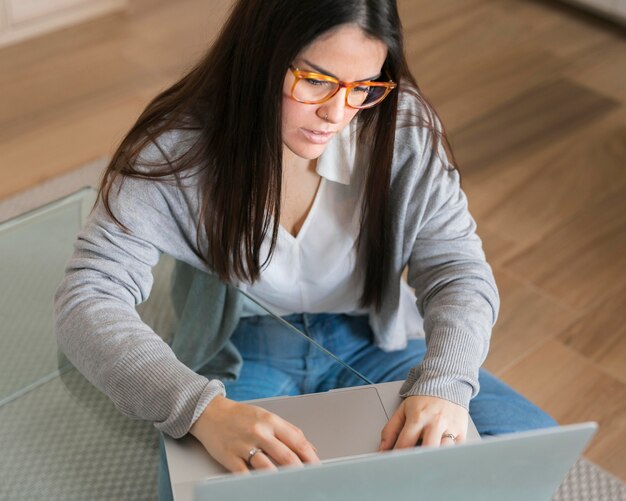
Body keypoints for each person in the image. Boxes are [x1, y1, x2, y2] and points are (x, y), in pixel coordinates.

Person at [54, 0, 556, 487]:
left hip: (370, 338)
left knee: (527, 448)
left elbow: (457, 268)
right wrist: (199, 407)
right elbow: (87, 298)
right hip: (243, 346)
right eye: (315, 80)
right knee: (212, 492)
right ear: (259, 56)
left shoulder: (400, 128)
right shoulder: (176, 148)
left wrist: (445, 384)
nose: (337, 114)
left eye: (363, 86)